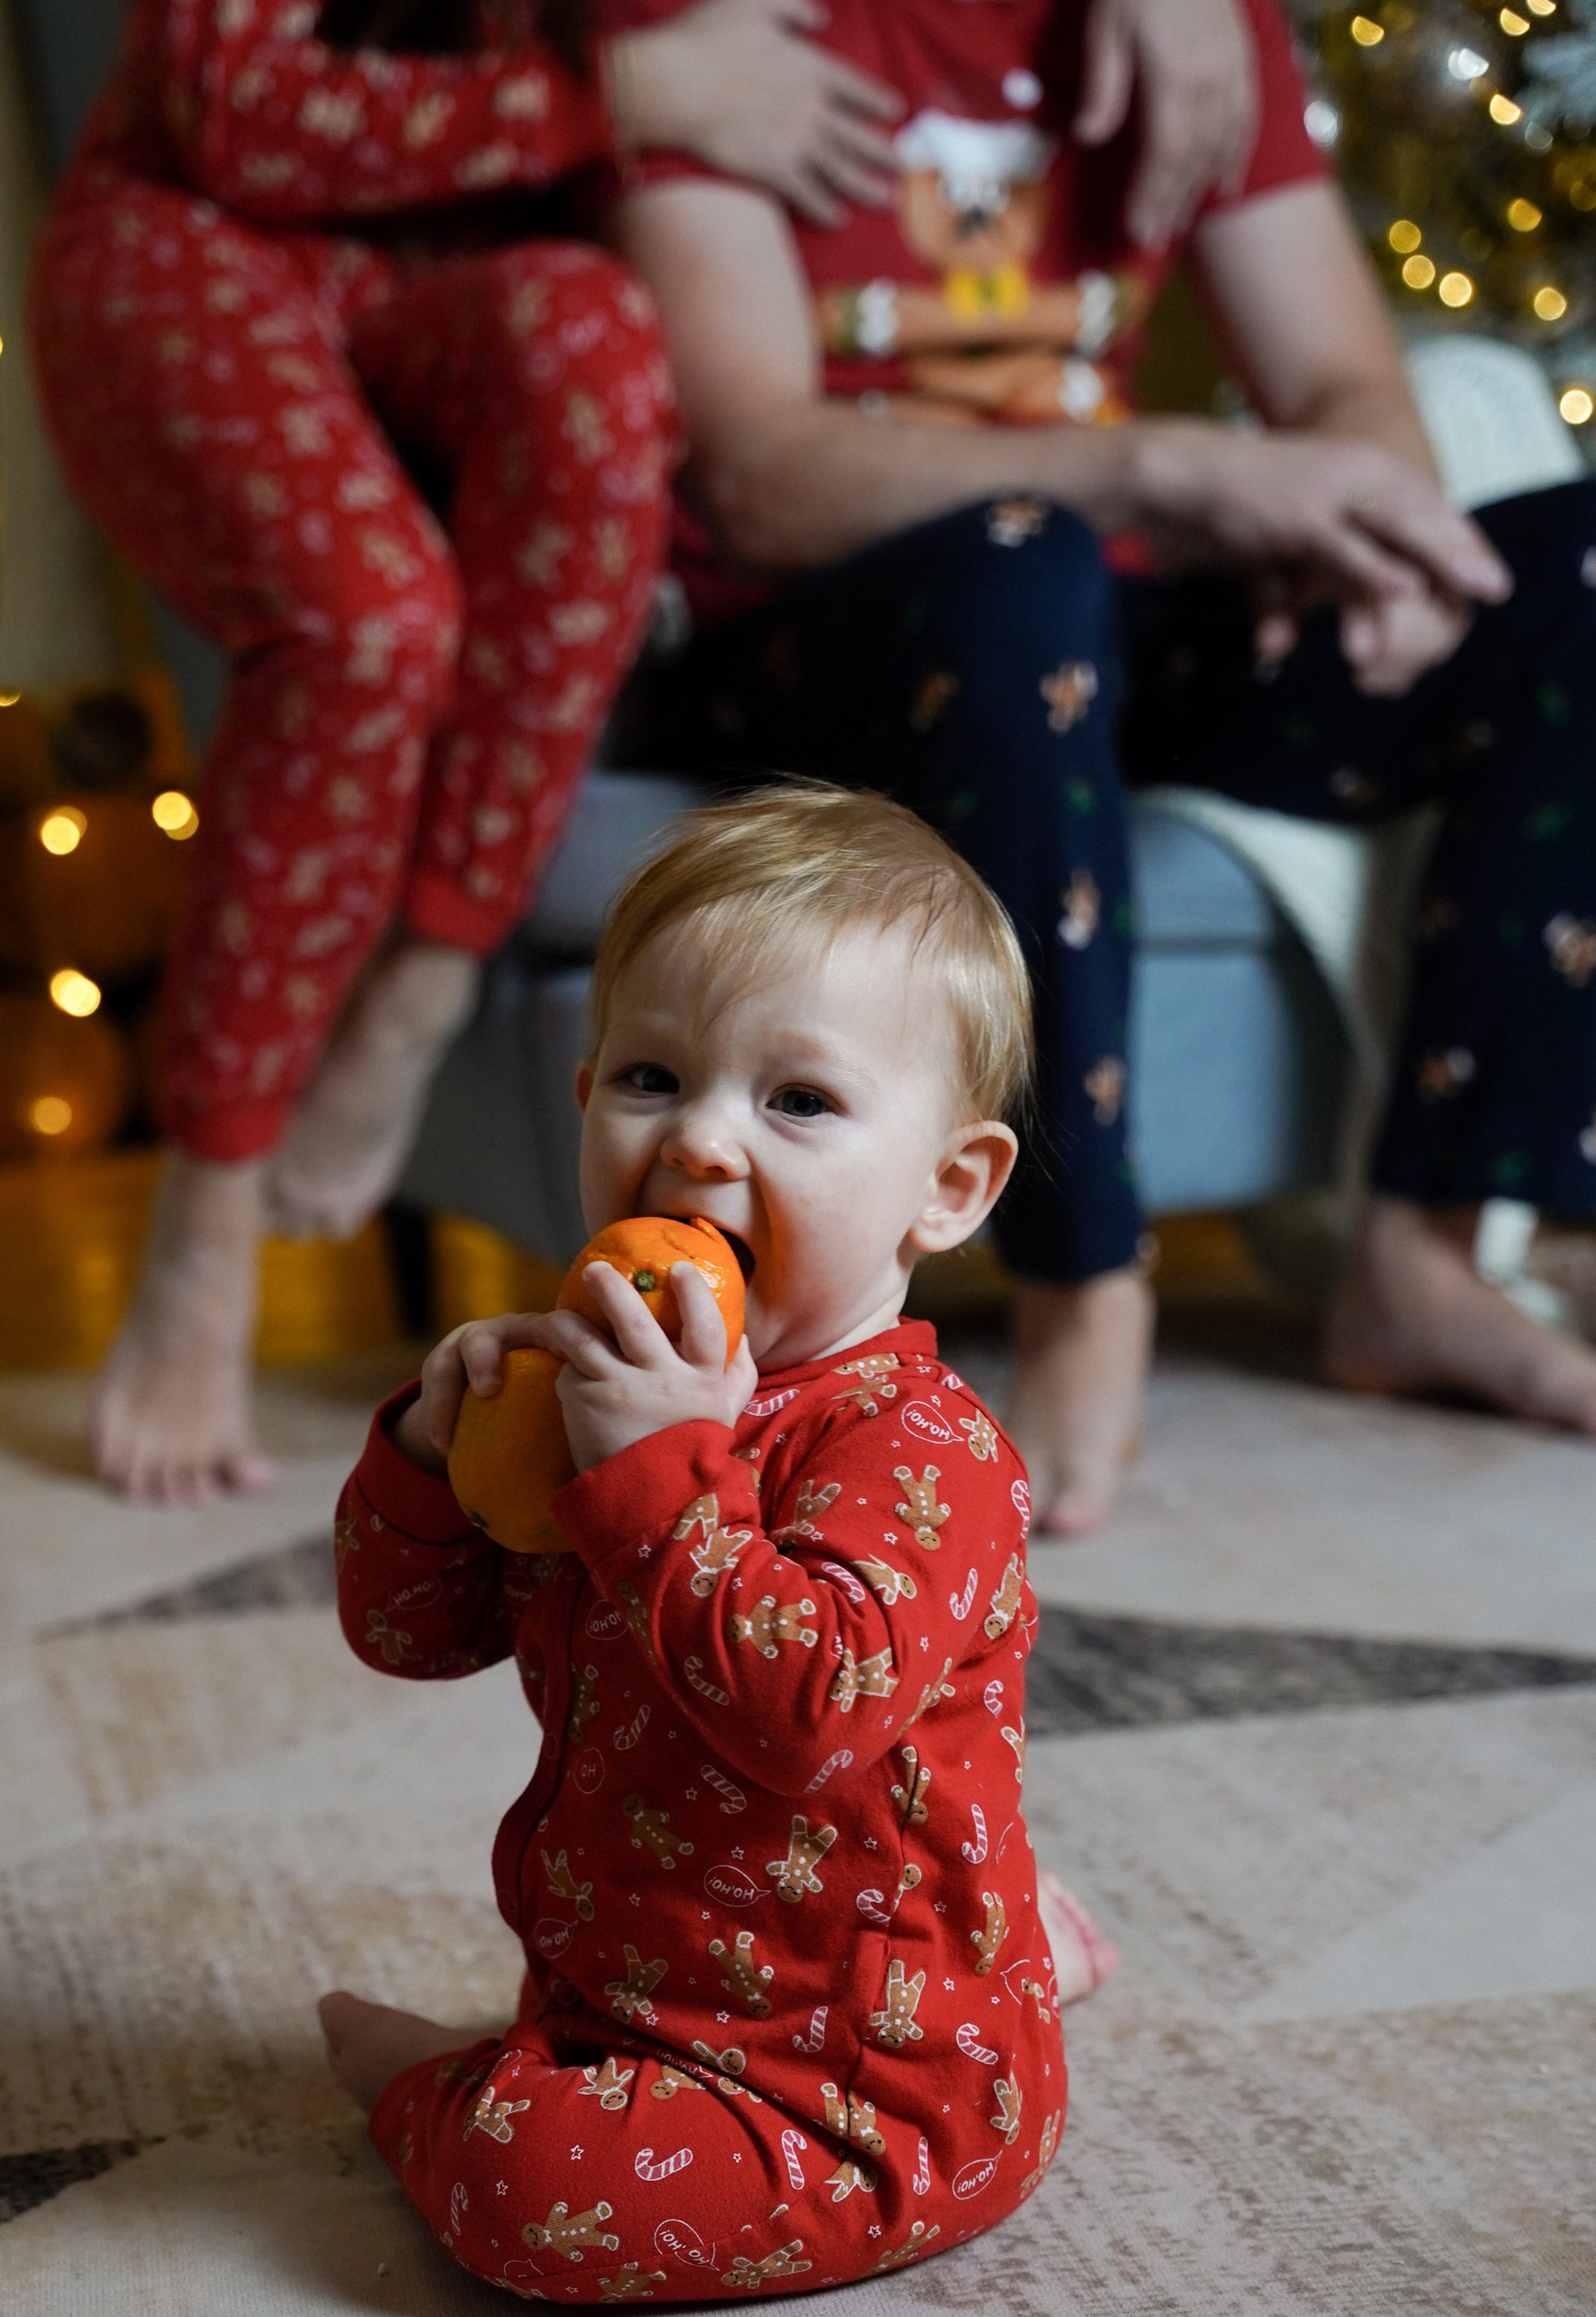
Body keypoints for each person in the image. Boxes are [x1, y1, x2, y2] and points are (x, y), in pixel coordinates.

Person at [33, 0, 1260, 1505]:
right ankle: (209, 1207)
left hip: (462, 262)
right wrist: (624, 90)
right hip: (201, 231)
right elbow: (227, 107)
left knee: (600, 346)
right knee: (375, 626)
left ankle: (427, 976)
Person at [598, 0, 1596, 1533]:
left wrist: (1377, 541)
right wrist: (1176, 466)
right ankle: (1082, 1284)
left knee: (1568, 562)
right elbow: (759, 478)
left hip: (1092, 626)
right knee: (1027, 568)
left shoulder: (1198, 24)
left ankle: (1425, 1252)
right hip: (807, 641)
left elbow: (1345, 385)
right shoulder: (716, 28)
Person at [322, 786, 1113, 2308]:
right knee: (572, 2111)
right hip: (633, 1991)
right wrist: (433, 1459)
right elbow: (407, 1635)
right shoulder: (600, 1394)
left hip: (858, 2090)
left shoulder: (921, 1450)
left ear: (946, 1189)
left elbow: (808, 1714)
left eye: (797, 1102)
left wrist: (662, 1474)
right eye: (650, 1076)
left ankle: (435, 2087)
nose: (695, 1140)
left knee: (521, 2189)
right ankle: (1011, 1931)